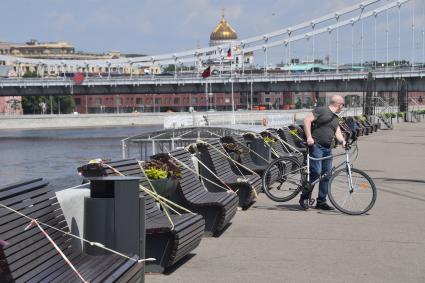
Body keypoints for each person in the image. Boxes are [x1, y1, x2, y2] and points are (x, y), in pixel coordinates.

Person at [299, 95, 346, 210]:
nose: (343, 107)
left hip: (327, 149)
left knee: (327, 175)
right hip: (316, 147)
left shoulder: (335, 118)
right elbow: (307, 120)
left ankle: (321, 202)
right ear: (339, 104)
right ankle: (304, 197)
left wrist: (343, 142)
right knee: (316, 172)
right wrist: (309, 137)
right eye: (343, 105)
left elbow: (338, 133)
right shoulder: (321, 110)